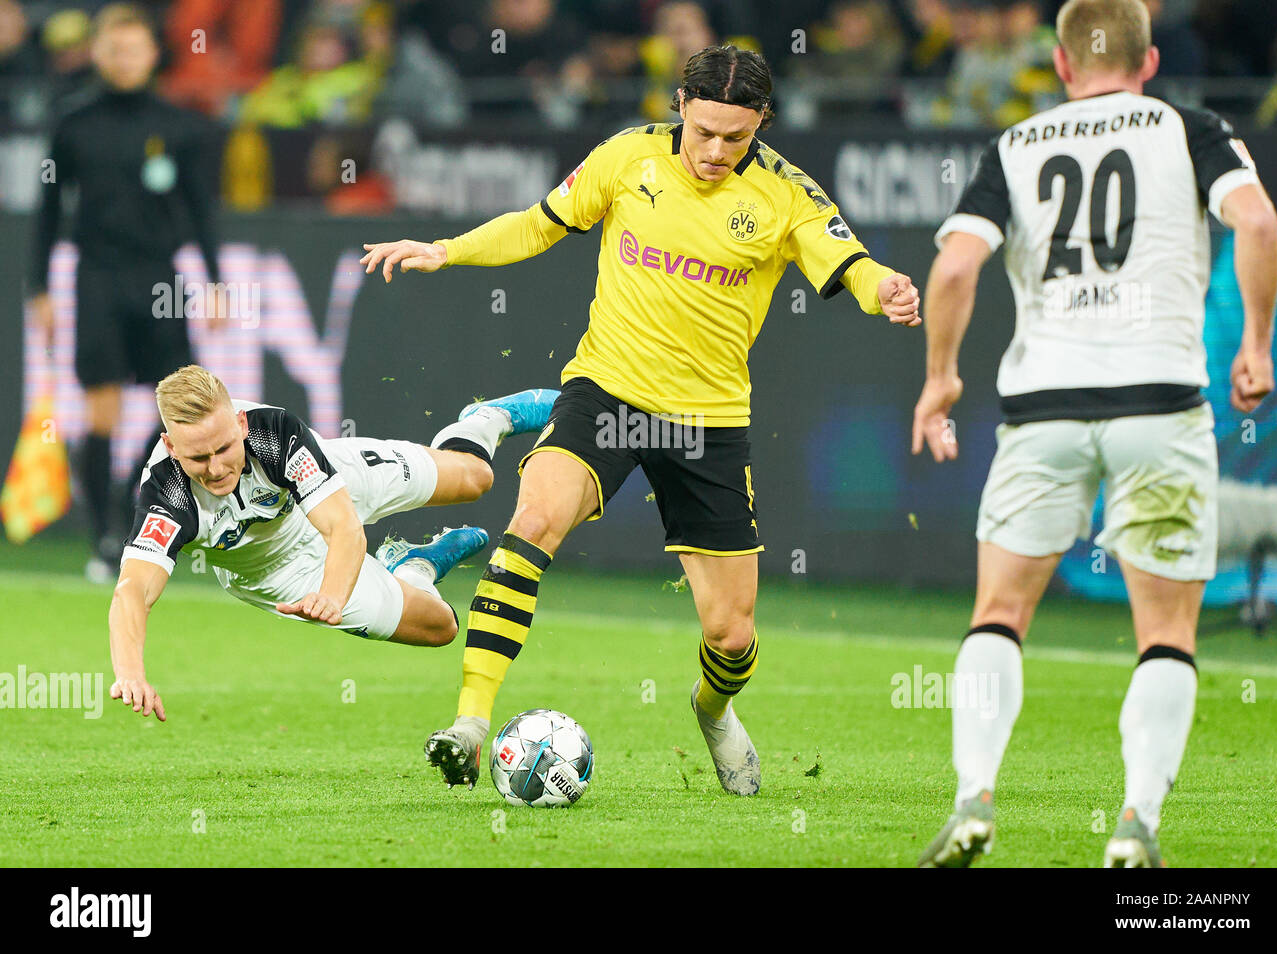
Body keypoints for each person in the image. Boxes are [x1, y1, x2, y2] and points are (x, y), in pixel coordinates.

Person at [360, 44, 922, 796]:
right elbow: (538, 224)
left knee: (732, 635)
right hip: (608, 392)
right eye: (704, 132)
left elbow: (849, 263)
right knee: (533, 518)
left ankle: (712, 710)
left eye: (737, 137)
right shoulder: (628, 157)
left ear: (762, 123)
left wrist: (886, 289)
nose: (717, 151)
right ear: (679, 107)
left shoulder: (788, 194)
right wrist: (445, 250)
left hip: (707, 422)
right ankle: (468, 720)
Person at [910, 0, 1277, 866]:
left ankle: (973, 799)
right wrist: (1255, 346)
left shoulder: (1016, 145)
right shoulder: (1192, 128)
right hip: (1158, 400)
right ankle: (1135, 824)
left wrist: (940, 379)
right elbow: (1258, 221)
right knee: (1165, 631)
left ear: (1063, 66)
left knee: (998, 613)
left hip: (1042, 407)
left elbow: (957, 263)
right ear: (1148, 64)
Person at [108, 364, 558, 723]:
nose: (215, 467)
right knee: (441, 627)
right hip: (278, 573)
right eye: (197, 458)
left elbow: (342, 528)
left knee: (474, 478)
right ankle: (412, 567)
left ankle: (486, 419)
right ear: (170, 444)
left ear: (240, 422)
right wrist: (130, 674)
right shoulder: (166, 492)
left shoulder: (274, 433)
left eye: (224, 448)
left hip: (334, 486)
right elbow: (134, 590)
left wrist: (333, 595)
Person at [26, 3, 223, 584]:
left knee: (175, 410)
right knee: (101, 407)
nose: (124, 59)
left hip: (160, 276)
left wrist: (212, 279)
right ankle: (104, 536)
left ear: (152, 54)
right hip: (97, 277)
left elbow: (199, 210)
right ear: (99, 54)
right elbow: (47, 210)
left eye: (134, 49)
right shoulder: (73, 123)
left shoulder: (180, 126)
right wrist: (38, 286)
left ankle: (135, 509)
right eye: (113, 49)